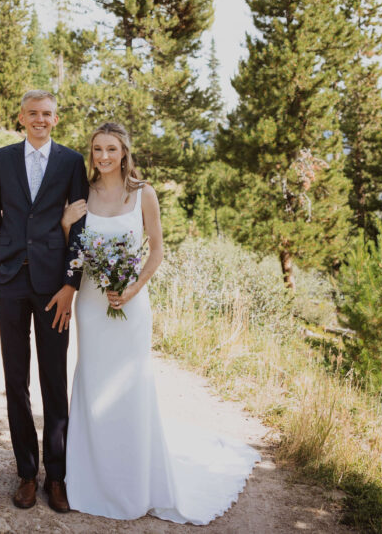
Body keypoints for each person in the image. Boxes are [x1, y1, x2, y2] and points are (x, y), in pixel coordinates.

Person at [61, 122, 260, 524]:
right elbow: (75, 251)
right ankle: (88, 480)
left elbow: (157, 250)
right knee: (92, 381)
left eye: (111, 149)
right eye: (97, 149)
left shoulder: (143, 194)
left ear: (124, 152)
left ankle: (133, 484)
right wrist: (67, 224)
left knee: (131, 386)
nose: (103, 156)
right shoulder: (83, 193)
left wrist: (132, 290)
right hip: (92, 305)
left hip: (131, 305)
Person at [0, 90, 89, 512]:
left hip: (53, 288)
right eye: (33, 114)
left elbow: (79, 229)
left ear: (55, 119)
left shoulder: (71, 162)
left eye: (47, 114)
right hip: (8, 282)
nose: (40, 119)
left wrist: (70, 283)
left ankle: (56, 477)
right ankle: (27, 472)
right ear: (21, 117)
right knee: (15, 379)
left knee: (54, 380)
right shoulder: (2, 159)